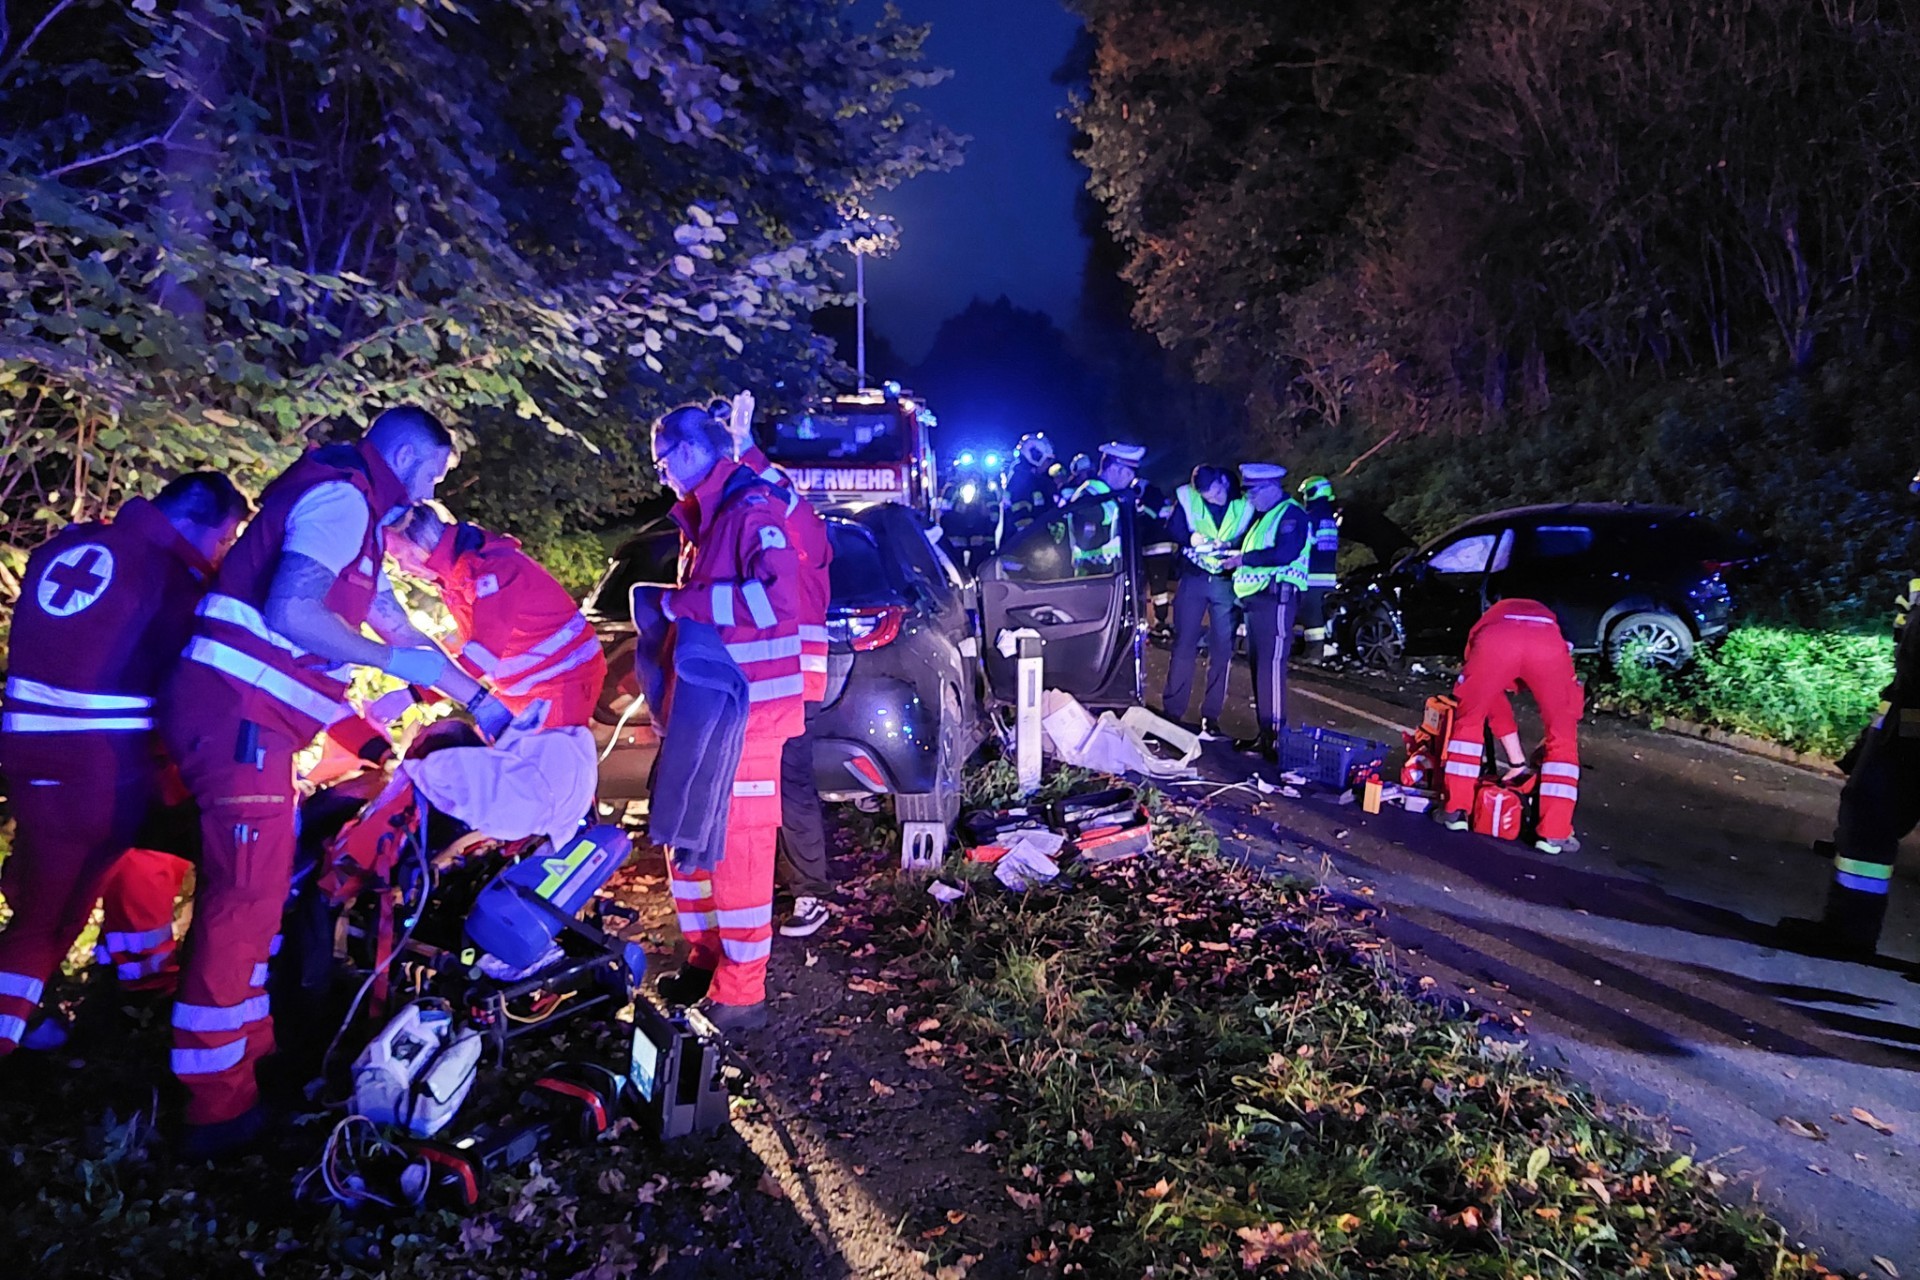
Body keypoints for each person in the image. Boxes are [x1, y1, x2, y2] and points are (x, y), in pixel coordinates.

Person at [159, 407, 502, 1156]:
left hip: (254, 724)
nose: (435, 489)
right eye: (435, 473)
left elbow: (401, 629)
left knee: (257, 897)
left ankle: (248, 1065)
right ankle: (214, 1110)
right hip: (239, 716)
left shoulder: (362, 521)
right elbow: (291, 610)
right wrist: (396, 667)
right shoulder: (344, 499)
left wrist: (482, 702)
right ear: (406, 456)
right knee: (244, 898)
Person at [0, 473, 250, 1059]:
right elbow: (191, 687)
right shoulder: (171, 580)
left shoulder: (70, 544)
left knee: (37, 890)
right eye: (224, 538)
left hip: (25, 750)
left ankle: (62, 1003)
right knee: (50, 920)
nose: (220, 552)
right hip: (94, 770)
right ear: (198, 522)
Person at [640, 403, 807, 1032]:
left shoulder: (748, 510)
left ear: (687, 451)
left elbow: (776, 599)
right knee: (692, 838)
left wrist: (684, 604)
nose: (662, 477)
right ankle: (706, 960)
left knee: (737, 850)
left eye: (663, 462)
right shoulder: (708, 518)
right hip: (711, 714)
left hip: (751, 715)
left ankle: (742, 992)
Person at [717, 393, 835, 941]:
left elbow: (785, 502)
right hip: (761, 682)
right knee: (769, 789)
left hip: (787, 683)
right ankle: (776, 887)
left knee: (788, 786)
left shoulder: (794, 528)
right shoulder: (751, 524)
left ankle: (809, 893)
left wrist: (747, 450)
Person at [1796, 463, 1920, 957]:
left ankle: (1848, 934)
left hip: (1912, 726)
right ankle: (1846, 932)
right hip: (1906, 719)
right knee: (1868, 814)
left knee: (1870, 815)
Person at [1433, 599, 1584, 854]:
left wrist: (1516, 760)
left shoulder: (1486, 625)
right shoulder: (1555, 627)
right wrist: (1522, 761)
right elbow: (1569, 709)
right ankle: (1554, 834)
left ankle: (1455, 811)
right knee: (1563, 734)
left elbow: (1489, 700)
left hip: (1496, 639)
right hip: (1546, 644)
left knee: (1469, 720)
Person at [1224, 463, 1309, 759]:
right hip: (1259, 601)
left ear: (1272, 487)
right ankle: (1265, 733)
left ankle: (1275, 738)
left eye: (1254, 492)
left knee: (1270, 668)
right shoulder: (1266, 517)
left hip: (1276, 599)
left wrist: (1243, 559)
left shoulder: (1290, 514)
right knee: (1260, 668)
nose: (1250, 498)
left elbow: (1285, 553)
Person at [1158, 466, 1250, 738]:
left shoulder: (1244, 504)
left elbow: (1254, 538)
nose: (1213, 500)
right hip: (1194, 576)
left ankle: (1211, 717)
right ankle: (1173, 710)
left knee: (1222, 649)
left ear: (1223, 482)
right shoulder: (1188, 497)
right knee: (1184, 644)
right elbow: (1172, 528)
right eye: (1207, 496)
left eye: (1217, 494)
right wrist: (1190, 538)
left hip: (1226, 580)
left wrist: (1233, 547)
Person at [1069, 442, 1146, 574]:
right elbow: (1093, 536)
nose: (1132, 479)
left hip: (1112, 574)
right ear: (1114, 469)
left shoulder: (1112, 495)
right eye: (1129, 473)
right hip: (1093, 575)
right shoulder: (1089, 493)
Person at [1297, 475, 1340, 663]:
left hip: (1312, 575)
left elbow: (1303, 545)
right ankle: (1318, 650)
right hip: (1328, 576)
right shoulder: (1329, 517)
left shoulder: (1311, 518)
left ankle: (1314, 654)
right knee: (1319, 616)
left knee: (1311, 618)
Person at [998, 433, 1059, 548]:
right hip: (1021, 549)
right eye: (1047, 460)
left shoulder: (1035, 481)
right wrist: (1033, 542)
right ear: (1036, 456)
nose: (1048, 465)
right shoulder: (1021, 480)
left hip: (1030, 546)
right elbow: (1022, 517)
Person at [1135, 477, 1178, 632]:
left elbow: (1150, 517)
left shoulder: (1150, 497)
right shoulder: (1154, 495)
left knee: (1157, 589)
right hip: (1151, 548)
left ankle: (1160, 621)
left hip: (1155, 549)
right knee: (1154, 588)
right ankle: (1156, 620)